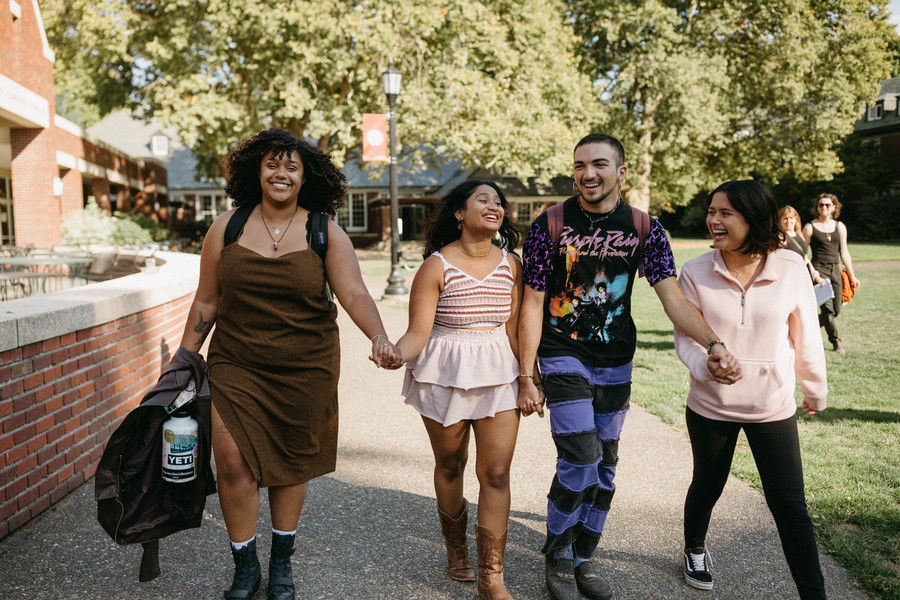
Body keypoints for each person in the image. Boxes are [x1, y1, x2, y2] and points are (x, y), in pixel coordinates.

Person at [517, 133, 741, 600]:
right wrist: (526, 375)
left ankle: (585, 555)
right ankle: (558, 552)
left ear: (621, 172)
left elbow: (672, 297)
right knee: (581, 457)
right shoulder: (549, 224)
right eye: (579, 165)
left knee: (605, 466)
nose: (588, 174)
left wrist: (713, 342)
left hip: (616, 361)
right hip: (562, 354)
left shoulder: (645, 228)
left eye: (599, 164)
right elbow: (532, 302)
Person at [176, 128, 394, 600]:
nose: (281, 173)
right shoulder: (227, 227)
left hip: (305, 368)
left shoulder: (324, 231)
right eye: (272, 164)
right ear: (256, 171)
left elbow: (354, 292)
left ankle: (281, 562)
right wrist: (182, 361)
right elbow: (206, 301)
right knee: (232, 463)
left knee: (291, 466)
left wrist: (378, 336)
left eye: (291, 166)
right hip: (237, 364)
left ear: (305, 176)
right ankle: (245, 566)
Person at [675, 180, 827, 598]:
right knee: (708, 484)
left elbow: (805, 335)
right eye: (712, 211)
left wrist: (815, 389)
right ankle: (694, 549)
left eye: (726, 213)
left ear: (754, 218)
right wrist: (705, 365)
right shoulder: (695, 271)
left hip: (772, 407)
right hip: (711, 406)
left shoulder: (790, 266)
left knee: (791, 507)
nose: (714, 220)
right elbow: (685, 338)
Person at [379, 180, 524, 600]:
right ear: (459, 213)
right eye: (483, 199)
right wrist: (396, 354)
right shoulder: (436, 266)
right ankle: (456, 548)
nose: (494, 206)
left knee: (496, 473)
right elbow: (417, 333)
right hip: (445, 371)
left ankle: (492, 576)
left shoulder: (512, 265)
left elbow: (515, 329)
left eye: (498, 201)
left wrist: (530, 378)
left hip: (498, 370)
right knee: (450, 465)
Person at [801, 193, 859, 353]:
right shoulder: (809, 227)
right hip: (819, 270)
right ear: (817, 207)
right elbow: (803, 253)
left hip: (836, 269)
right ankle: (836, 342)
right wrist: (814, 273)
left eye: (827, 205)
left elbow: (844, 252)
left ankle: (807, 327)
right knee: (827, 310)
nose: (824, 207)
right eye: (821, 204)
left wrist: (852, 274)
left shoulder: (840, 226)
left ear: (834, 207)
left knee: (836, 310)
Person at [778, 205, 821, 284]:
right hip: (789, 277)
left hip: (802, 275)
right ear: (780, 220)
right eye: (785, 218)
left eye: (791, 218)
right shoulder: (780, 237)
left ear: (795, 219)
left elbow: (805, 257)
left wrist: (815, 274)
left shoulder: (799, 235)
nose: (788, 221)